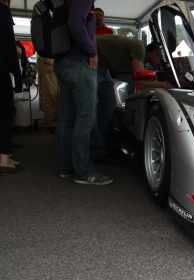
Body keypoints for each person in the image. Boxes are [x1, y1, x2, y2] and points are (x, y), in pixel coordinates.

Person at [90, 35, 174, 165]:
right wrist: (167, 85)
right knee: (88, 108)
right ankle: (94, 150)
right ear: (154, 52)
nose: (161, 65)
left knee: (109, 105)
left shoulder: (144, 60)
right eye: (161, 60)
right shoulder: (139, 47)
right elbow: (141, 79)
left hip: (103, 67)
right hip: (92, 59)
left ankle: (100, 146)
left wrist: (165, 85)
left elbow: (143, 83)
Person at [54, 0, 113, 185]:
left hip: (64, 61)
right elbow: (75, 23)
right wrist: (91, 51)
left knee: (66, 117)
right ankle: (84, 172)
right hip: (79, 63)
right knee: (85, 119)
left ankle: (65, 167)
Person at [0, 0, 27, 175]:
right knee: (5, 114)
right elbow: (9, 46)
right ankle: (3, 160)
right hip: (0, 71)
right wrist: (18, 79)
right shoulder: (2, 11)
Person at [37, 56, 61, 133]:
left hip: (58, 57)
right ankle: (52, 123)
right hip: (50, 57)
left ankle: (58, 123)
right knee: (51, 94)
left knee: (59, 94)